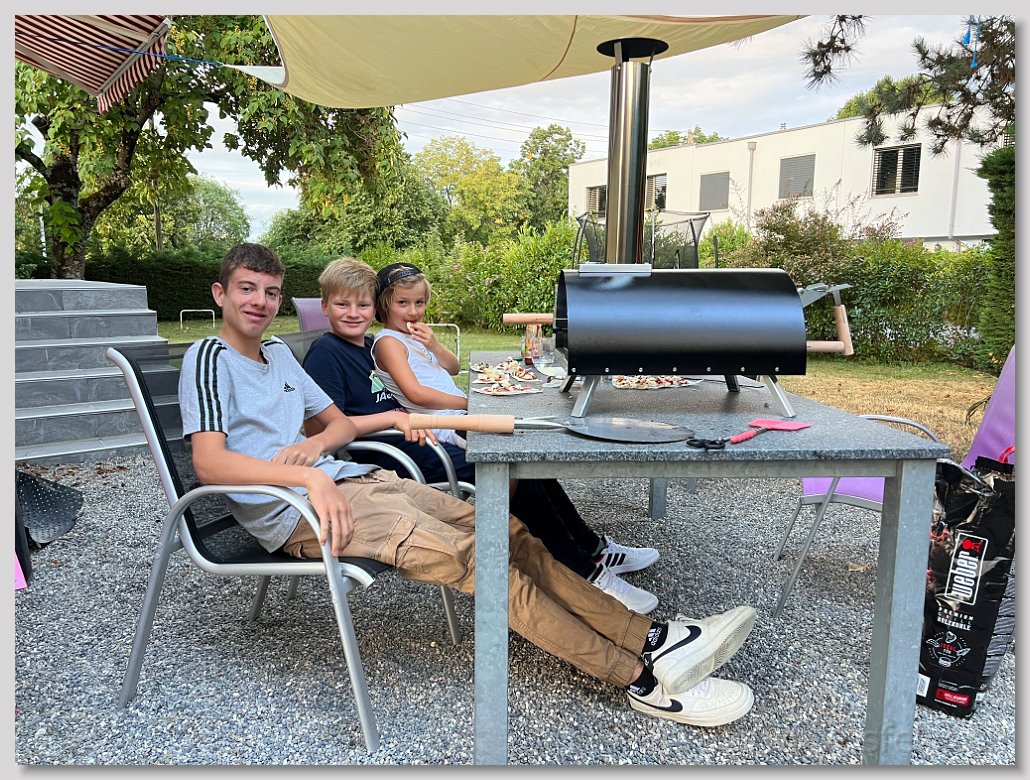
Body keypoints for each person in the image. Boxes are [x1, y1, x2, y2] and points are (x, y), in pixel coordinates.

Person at [178, 242, 759, 728]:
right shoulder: (209, 357)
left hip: (354, 481)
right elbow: (210, 464)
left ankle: (649, 636)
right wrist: (305, 473)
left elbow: (339, 425)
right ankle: (640, 678)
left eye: (270, 291)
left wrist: (318, 452)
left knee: (507, 532)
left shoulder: (278, 354)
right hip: (297, 513)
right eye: (247, 289)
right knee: (477, 560)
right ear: (220, 294)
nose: (259, 302)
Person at [301, 258, 659, 613]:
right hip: (396, 456)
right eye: (343, 305)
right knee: (508, 468)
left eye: (362, 305)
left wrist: (411, 410)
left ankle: (593, 549)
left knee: (525, 459)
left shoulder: (366, 345)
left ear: (373, 307)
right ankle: (583, 575)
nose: (354, 313)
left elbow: (413, 387)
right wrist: (396, 419)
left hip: (419, 436)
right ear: (325, 306)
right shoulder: (327, 353)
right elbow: (323, 429)